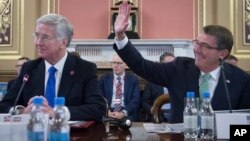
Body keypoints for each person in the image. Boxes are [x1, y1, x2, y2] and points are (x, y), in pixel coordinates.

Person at [112, 2, 250, 123]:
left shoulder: (241, 80)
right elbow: (142, 66)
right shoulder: (179, 68)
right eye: (196, 42)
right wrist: (120, 36)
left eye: (204, 46)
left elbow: (244, 127)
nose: (196, 49)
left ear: (222, 53)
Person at [0, 14, 106, 122]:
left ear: (63, 42)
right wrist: (23, 112)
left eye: (45, 37)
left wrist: (57, 113)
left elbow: (98, 109)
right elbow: (4, 105)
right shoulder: (29, 68)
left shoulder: (84, 68)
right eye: (36, 36)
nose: (38, 43)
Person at [99, 54, 141, 121]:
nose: (115, 66)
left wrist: (123, 113)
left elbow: (136, 100)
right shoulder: (104, 78)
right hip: (108, 111)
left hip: (126, 112)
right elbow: (99, 97)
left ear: (125, 64)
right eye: (113, 63)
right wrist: (107, 111)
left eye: (119, 63)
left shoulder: (133, 80)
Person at [142, 52, 175, 122]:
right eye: (168, 64)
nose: (171, 67)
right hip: (159, 113)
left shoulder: (180, 81)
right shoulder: (152, 81)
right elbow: (145, 102)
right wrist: (152, 110)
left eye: (173, 64)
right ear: (161, 66)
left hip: (175, 113)